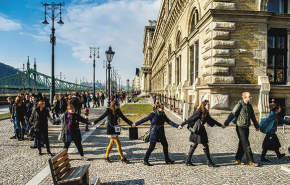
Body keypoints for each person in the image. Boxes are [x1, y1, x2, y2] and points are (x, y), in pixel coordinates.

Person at [132, 102, 182, 166]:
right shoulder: (153, 114)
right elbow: (144, 119)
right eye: (162, 107)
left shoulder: (163, 114)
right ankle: (145, 160)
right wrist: (135, 124)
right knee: (152, 147)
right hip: (154, 132)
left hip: (161, 132)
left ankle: (167, 159)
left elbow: (168, 121)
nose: (163, 108)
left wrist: (177, 126)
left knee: (165, 145)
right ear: (158, 108)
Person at [179, 100, 224, 167]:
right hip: (198, 130)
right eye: (208, 105)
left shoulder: (206, 112)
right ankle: (209, 162)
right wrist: (182, 125)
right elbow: (190, 119)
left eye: (209, 104)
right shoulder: (199, 112)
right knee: (204, 145)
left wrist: (220, 125)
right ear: (204, 105)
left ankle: (188, 161)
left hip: (200, 130)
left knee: (195, 145)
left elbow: (211, 120)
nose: (209, 106)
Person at [223, 92, 260, 167]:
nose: (251, 98)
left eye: (251, 96)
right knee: (246, 144)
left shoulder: (249, 106)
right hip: (240, 127)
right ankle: (250, 161)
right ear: (244, 97)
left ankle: (238, 158)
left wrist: (256, 126)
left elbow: (252, 116)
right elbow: (232, 114)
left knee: (242, 143)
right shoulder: (239, 105)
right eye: (249, 96)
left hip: (246, 127)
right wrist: (226, 123)